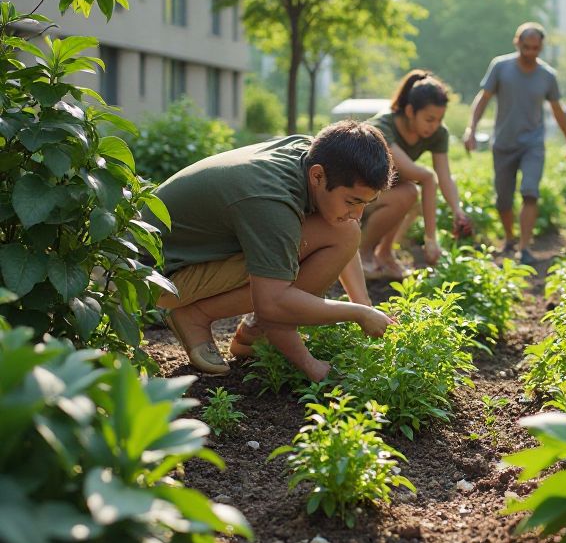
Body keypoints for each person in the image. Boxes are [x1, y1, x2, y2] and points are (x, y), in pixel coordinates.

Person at [151, 121, 397, 381]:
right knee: (296, 266)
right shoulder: (273, 203)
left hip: (192, 251)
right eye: (352, 201)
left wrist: (366, 305)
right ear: (317, 176)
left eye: (366, 204)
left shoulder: (314, 155)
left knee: (344, 231)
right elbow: (273, 303)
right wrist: (351, 321)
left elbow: (345, 237)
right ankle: (197, 315)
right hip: (155, 276)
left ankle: (252, 335)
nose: (358, 214)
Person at [463, 22, 566, 265]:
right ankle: (510, 238)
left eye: (536, 48)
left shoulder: (547, 76)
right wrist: (471, 128)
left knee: (530, 192)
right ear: (517, 43)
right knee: (503, 199)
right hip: (503, 143)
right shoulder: (500, 67)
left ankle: (524, 248)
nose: (531, 53)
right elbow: (483, 99)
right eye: (526, 47)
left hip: (532, 143)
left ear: (541, 47)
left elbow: (558, 110)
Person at [359, 70, 473, 280]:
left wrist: (457, 210)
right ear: (410, 111)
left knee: (413, 196)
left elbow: (444, 176)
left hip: (384, 193)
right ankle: (362, 253)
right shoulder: (382, 127)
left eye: (439, 119)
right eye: (429, 119)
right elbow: (426, 177)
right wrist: (431, 240)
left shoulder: (437, 133)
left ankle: (384, 253)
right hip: (355, 199)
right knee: (409, 192)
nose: (435, 125)